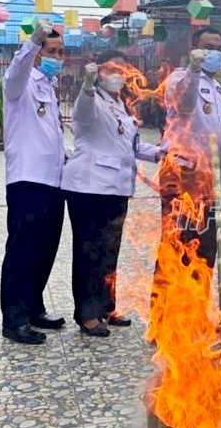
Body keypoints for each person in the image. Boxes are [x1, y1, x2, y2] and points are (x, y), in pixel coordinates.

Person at [62, 51, 162, 337]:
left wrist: (161, 153)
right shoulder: (91, 101)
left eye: (121, 68)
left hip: (117, 187)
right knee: (89, 251)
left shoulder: (121, 105)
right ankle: (87, 314)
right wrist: (87, 86)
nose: (117, 75)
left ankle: (106, 306)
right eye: (110, 69)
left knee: (109, 252)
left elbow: (132, 145)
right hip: (89, 187)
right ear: (99, 72)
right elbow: (82, 112)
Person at [0, 19, 68, 346]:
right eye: (51, 50)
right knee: (23, 249)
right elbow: (15, 74)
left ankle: (34, 306)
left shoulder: (49, 87)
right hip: (27, 179)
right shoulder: (20, 82)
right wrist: (32, 41)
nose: (58, 57)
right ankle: (14, 319)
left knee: (44, 249)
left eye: (61, 51)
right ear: (38, 54)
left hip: (53, 180)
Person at [158, 26, 221, 269]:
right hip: (183, 174)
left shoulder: (217, 88)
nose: (214, 53)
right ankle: (168, 306)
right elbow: (186, 104)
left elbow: (220, 140)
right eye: (208, 48)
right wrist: (194, 69)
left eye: (219, 49)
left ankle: (197, 304)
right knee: (179, 242)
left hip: (209, 177)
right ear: (194, 50)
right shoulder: (180, 78)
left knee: (206, 246)